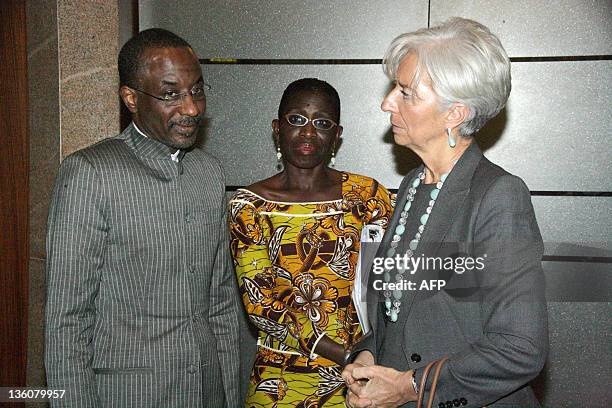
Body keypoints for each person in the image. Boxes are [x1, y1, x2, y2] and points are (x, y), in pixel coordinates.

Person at [342, 18, 548, 408]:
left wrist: (409, 386)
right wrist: (370, 355)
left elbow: (520, 348)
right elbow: (402, 310)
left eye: (406, 93)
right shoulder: (412, 185)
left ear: (455, 114)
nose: (388, 103)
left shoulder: (499, 196)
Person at [45, 28, 240, 407]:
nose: (192, 108)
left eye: (197, 90)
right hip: (130, 395)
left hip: (205, 392)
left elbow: (220, 305)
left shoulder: (209, 172)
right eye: (171, 94)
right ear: (131, 98)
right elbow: (66, 323)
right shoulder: (90, 173)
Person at [228, 78, 395, 407]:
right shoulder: (249, 205)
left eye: (322, 123)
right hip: (281, 380)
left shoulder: (367, 196)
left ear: (337, 134)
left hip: (365, 381)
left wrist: (369, 357)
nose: (308, 133)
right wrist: (346, 355)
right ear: (277, 128)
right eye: (296, 120)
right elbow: (263, 306)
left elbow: (394, 281)